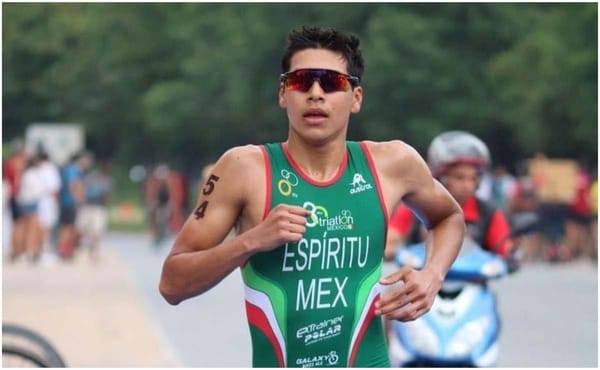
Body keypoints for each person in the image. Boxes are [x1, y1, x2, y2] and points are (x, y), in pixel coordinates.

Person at [159, 26, 465, 368]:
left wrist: (433, 274)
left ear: (356, 97)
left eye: (332, 82)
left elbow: (448, 217)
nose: (315, 93)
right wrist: (250, 242)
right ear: (282, 94)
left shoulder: (393, 163)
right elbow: (172, 283)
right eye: (301, 81)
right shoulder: (244, 169)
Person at [386, 131, 513, 261]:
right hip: (422, 276)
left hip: (472, 279)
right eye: (459, 177)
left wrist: (512, 253)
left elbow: (505, 249)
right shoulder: (415, 206)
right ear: (441, 177)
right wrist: (392, 249)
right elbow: (391, 238)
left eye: (473, 178)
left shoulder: (488, 213)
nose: (467, 185)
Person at [57, 151, 93, 259]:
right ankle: (63, 250)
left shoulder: (78, 171)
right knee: (68, 227)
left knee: (70, 227)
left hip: (70, 202)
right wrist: (79, 199)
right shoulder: (73, 170)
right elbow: (73, 185)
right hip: (69, 202)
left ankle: (67, 249)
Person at [76, 161, 112, 262]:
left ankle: (91, 251)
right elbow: (107, 197)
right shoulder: (105, 180)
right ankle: (91, 251)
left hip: (91, 207)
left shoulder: (90, 178)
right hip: (95, 207)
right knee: (92, 231)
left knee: (93, 231)